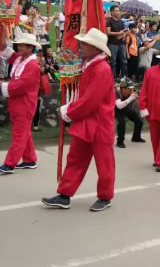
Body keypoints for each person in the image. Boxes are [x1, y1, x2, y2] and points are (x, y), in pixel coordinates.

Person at [42, 28, 115, 212]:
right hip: (85, 119)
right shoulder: (87, 64)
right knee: (75, 158)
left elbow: (91, 100)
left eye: (86, 43)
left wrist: (68, 111)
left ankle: (105, 196)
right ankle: (64, 194)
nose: (82, 46)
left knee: (104, 162)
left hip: (99, 122)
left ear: (95, 48)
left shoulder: (102, 69)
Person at [0, 32, 41, 174]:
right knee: (24, 133)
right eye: (18, 45)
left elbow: (22, 85)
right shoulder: (20, 58)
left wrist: (1, 84)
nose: (19, 47)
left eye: (22, 45)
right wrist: (2, 28)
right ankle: (29, 160)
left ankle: (9, 164)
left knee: (18, 135)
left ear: (30, 48)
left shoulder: (32, 65)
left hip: (25, 103)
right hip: (17, 102)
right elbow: (3, 47)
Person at [115, 77, 145, 148]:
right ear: (123, 88)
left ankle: (136, 137)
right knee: (122, 123)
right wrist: (131, 98)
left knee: (139, 121)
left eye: (131, 88)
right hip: (117, 109)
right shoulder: (116, 92)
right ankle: (120, 142)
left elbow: (142, 97)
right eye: (128, 88)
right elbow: (119, 106)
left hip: (126, 108)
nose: (131, 90)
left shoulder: (132, 91)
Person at [106, 5, 127, 78]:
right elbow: (108, 32)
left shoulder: (121, 21)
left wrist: (122, 35)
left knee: (124, 60)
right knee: (113, 61)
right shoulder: (109, 21)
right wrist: (119, 33)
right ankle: (113, 77)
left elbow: (124, 31)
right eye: (117, 11)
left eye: (119, 11)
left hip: (121, 43)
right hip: (113, 44)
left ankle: (124, 76)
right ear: (112, 12)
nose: (118, 12)